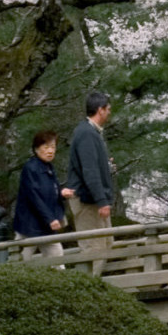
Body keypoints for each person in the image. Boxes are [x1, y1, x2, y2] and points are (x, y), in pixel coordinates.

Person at [59, 92, 116, 234]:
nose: (109, 112)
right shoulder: (86, 133)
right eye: (108, 109)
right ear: (100, 110)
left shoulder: (92, 133)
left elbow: (93, 165)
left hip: (94, 200)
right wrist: (102, 200)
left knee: (105, 246)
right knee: (94, 248)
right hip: (88, 202)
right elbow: (90, 171)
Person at [13, 130, 68, 256]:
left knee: (57, 256)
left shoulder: (49, 167)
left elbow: (48, 191)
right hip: (30, 225)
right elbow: (34, 197)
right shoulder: (31, 168)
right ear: (36, 149)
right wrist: (50, 218)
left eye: (53, 147)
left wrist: (61, 194)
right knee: (22, 259)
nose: (50, 151)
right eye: (46, 147)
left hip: (46, 224)